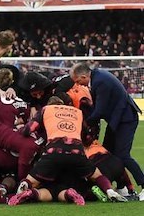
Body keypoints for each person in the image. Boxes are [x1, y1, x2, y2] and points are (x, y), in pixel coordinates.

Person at [8, 96, 127, 205]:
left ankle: (24, 190)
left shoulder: (46, 109)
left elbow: (28, 130)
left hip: (53, 151)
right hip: (77, 151)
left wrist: (19, 128)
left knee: (32, 181)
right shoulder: (77, 112)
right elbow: (87, 136)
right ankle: (110, 191)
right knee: (96, 175)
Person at [70, 62, 144, 200]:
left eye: (78, 81)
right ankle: (121, 187)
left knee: (123, 155)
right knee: (107, 153)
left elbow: (100, 110)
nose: (79, 85)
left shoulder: (100, 82)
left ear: (84, 76)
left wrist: (84, 124)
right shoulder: (98, 77)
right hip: (117, 119)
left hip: (125, 119)